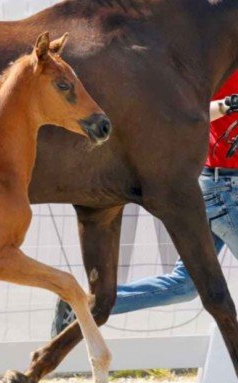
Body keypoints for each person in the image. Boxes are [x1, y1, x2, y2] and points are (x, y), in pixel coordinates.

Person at [51, 71, 238, 337]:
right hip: (224, 189)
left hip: (217, 189)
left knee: (184, 286)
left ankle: (81, 303)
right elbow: (188, 112)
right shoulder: (223, 66)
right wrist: (228, 104)